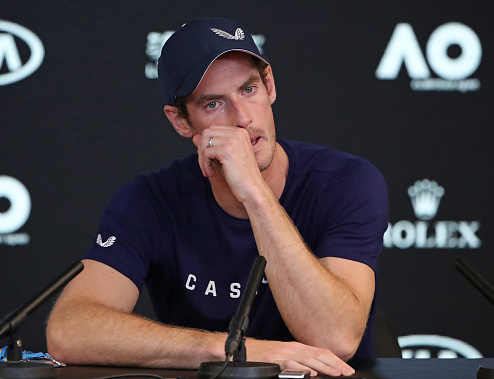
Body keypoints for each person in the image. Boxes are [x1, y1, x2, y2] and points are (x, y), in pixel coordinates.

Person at [46, 17, 388, 377]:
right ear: (181, 122)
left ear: (269, 85)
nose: (242, 119)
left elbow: (334, 338)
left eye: (248, 90)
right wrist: (227, 349)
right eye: (213, 104)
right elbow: (69, 330)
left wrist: (254, 193)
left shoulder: (346, 181)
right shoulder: (149, 200)